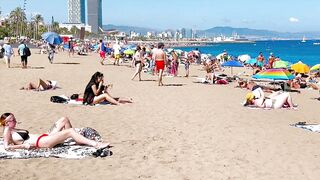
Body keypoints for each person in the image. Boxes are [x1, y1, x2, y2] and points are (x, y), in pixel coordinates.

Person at [0, 113, 109, 150]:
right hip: (41, 142)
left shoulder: (12, 128)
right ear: (6, 123)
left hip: (44, 137)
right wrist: (23, 146)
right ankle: (96, 144)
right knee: (70, 131)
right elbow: (6, 147)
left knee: (64, 119)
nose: (15, 120)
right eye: (12, 120)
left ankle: (78, 139)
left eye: (14, 118)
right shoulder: (7, 131)